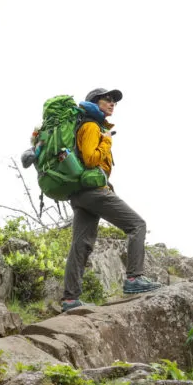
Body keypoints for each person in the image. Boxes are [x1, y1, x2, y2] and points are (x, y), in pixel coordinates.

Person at [61, 88, 163, 311]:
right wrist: (106, 141)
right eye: (107, 99)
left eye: (113, 100)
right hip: (93, 191)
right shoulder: (90, 126)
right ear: (94, 103)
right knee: (137, 225)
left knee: (80, 244)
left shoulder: (90, 125)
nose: (112, 103)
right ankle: (134, 279)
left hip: (80, 194)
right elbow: (89, 159)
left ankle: (70, 300)